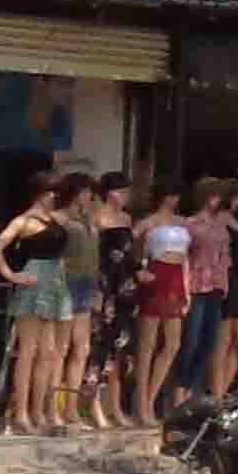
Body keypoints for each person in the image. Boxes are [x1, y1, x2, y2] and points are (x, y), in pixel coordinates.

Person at [0, 173, 81, 432]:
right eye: (51, 192)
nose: (55, 196)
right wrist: (11, 275)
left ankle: (39, 411)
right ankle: (22, 412)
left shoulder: (53, 219)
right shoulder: (23, 221)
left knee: (48, 353)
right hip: (34, 280)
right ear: (41, 193)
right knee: (28, 351)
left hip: (56, 282)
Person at [81, 173, 145, 427]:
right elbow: (94, 255)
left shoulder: (127, 218)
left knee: (119, 346)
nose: (126, 196)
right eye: (122, 191)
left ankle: (114, 406)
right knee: (99, 343)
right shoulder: (96, 217)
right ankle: (93, 405)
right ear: (109, 192)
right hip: (105, 284)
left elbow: (130, 253)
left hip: (126, 285)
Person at [178, 183, 238, 410]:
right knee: (191, 340)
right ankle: (180, 392)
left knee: (209, 341)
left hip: (217, 285)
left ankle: (192, 391)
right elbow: (184, 257)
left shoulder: (221, 226)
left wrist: (225, 282)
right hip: (197, 286)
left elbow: (225, 257)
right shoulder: (190, 224)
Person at [133, 187, 199, 414]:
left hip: (176, 276)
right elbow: (133, 250)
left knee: (173, 344)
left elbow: (187, 259)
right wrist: (138, 270)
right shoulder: (147, 222)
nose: (176, 198)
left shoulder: (183, 222)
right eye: (172, 193)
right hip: (156, 270)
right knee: (147, 344)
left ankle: (151, 397)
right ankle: (142, 402)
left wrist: (188, 289)